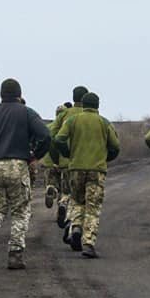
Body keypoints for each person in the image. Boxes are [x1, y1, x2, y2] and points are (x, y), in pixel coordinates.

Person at [0, 79, 51, 270]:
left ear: (1, 94)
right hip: (17, 165)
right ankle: (15, 254)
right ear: (19, 94)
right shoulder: (27, 113)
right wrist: (35, 156)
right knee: (20, 211)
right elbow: (45, 136)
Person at [54, 92, 120, 258]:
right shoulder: (104, 123)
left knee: (77, 201)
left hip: (75, 168)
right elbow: (115, 146)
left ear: (83, 104)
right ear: (97, 105)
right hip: (96, 170)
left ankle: (76, 227)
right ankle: (88, 243)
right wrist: (106, 158)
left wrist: (69, 154)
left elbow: (59, 139)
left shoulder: (72, 120)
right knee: (93, 207)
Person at [48, 85, 88, 239]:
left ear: (73, 97)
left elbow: (51, 136)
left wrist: (57, 157)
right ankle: (73, 224)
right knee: (80, 199)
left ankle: (63, 204)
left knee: (67, 192)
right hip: (84, 162)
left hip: (65, 162)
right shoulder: (89, 116)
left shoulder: (65, 114)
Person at [43, 105, 67, 209]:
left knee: (51, 181)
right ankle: (61, 207)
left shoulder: (48, 127)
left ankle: (51, 188)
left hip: (49, 162)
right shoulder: (67, 128)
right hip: (64, 161)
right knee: (64, 187)